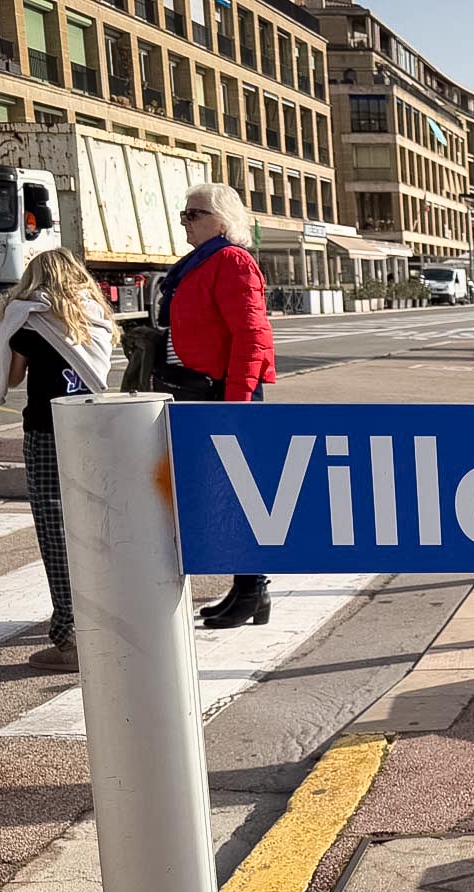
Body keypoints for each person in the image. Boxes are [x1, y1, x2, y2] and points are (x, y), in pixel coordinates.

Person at [0, 248, 116, 672]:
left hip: (46, 431)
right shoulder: (96, 318)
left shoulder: (29, 320)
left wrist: (10, 322)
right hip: (94, 431)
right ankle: (109, 621)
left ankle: (70, 636)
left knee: (56, 532)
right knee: (98, 527)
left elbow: (14, 375)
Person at [168, 182, 277, 628]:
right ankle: (247, 589)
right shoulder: (200, 262)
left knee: (239, 492)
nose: (185, 222)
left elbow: (252, 337)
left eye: (194, 214)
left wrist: (235, 404)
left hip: (223, 394)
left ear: (222, 220)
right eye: (184, 214)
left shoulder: (230, 261)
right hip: (201, 391)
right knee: (224, 493)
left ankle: (253, 590)